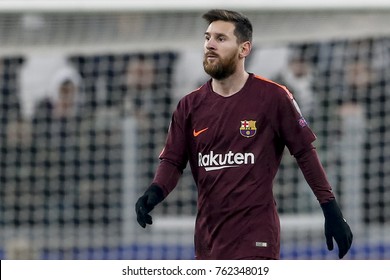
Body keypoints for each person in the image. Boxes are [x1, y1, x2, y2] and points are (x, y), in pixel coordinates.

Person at [135, 9, 353, 260]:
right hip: (207, 241)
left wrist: (330, 208)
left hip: (256, 238)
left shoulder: (273, 97)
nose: (210, 45)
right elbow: (173, 160)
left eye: (220, 38)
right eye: (207, 38)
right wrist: (154, 192)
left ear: (244, 49)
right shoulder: (189, 105)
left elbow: (305, 152)